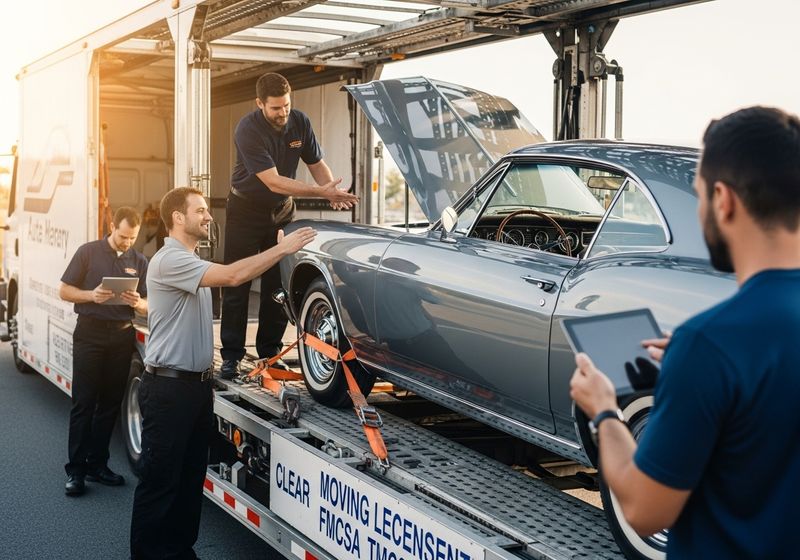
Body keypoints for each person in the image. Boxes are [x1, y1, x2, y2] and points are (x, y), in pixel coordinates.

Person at [570, 106, 800, 557]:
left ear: (723, 199)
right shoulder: (713, 349)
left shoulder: (710, 344)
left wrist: (604, 412)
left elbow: (644, 508)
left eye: (697, 197)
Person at [129, 187, 316, 559]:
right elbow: (233, 276)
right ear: (178, 218)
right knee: (161, 484)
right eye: (200, 210)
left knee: (188, 480)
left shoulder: (191, 261)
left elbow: (233, 272)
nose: (208, 216)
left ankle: (180, 552)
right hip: (169, 391)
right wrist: (282, 249)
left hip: (195, 390)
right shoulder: (170, 260)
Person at [219, 72, 359, 379]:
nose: (283, 113)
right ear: (260, 104)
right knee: (238, 282)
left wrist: (331, 190)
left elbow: (316, 163)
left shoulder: (300, 121)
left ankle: (269, 353)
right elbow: (272, 181)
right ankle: (231, 355)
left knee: (277, 286)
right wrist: (320, 193)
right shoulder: (248, 129)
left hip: (280, 213)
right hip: (245, 211)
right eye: (275, 108)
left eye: (286, 105)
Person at [59, 206, 148, 496]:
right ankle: (76, 472)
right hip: (90, 334)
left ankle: (98, 465)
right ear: (112, 226)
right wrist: (91, 296)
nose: (127, 243)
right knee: (84, 403)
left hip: (122, 337)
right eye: (123, 236)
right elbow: (64, 290)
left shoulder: (139, 260)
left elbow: (149, 304)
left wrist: (138, 302)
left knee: (110, 404)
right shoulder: (88, 252)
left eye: (132, 238)